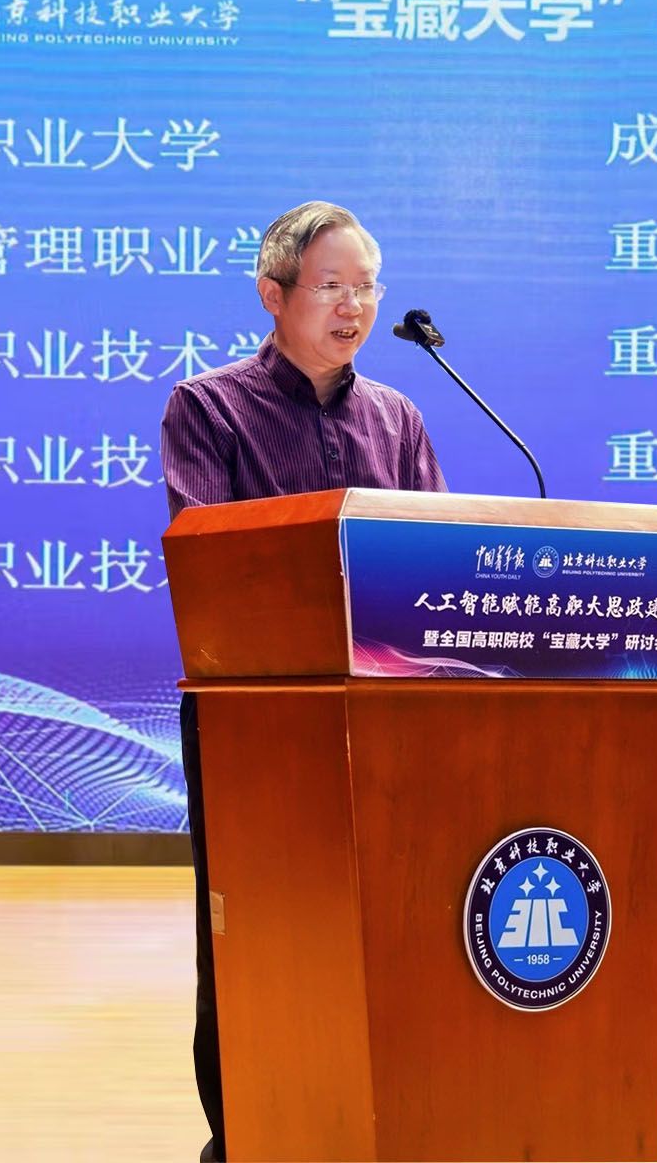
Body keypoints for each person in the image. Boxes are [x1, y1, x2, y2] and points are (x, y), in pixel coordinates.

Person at [157, 201, 447, 1162]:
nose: (354, 304)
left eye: (367, 286)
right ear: (272, 294)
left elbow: (437, 563)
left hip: (391, 723)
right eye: (331, 286)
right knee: (254, 933)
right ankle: (245, 1136)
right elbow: (210, 562)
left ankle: (380, 1118)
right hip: (258, 723)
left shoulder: (399, 418)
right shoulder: (209, 408)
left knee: (393, 924)